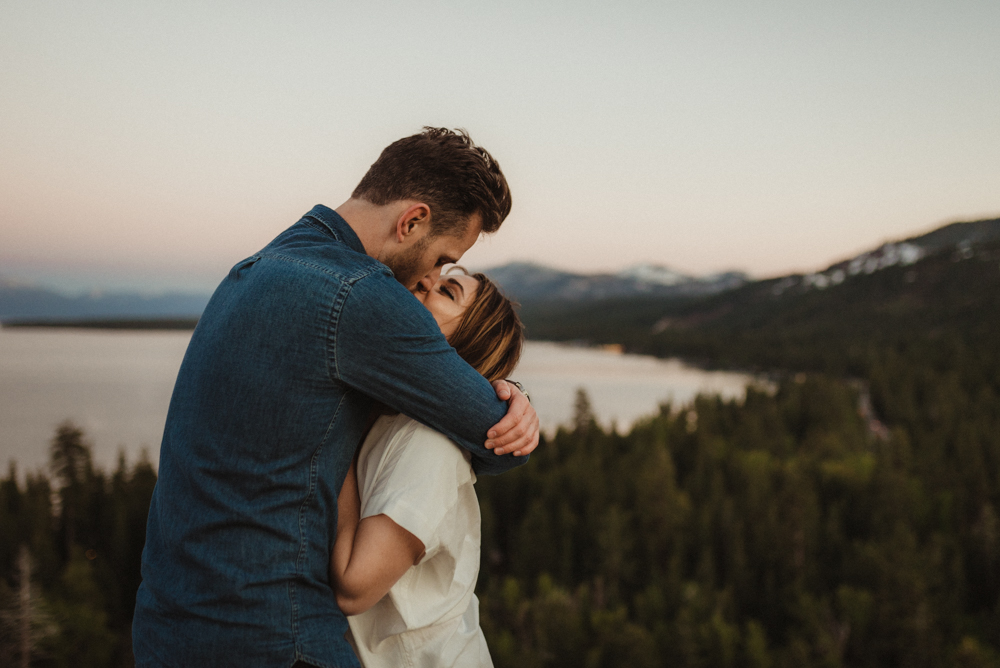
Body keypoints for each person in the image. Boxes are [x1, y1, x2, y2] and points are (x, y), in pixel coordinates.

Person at [133, 128, 540, 668]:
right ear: (411, 220)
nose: (429, 276)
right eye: (442, 259)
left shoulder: (262, 265)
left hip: (168, 627)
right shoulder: (360, 295)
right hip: (272, 637)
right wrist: (514, 401)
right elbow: (495, 435)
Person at [331, 269, 522, 668]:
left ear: (467, 344)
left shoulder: (428, 443)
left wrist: (334, 442)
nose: (425, 282)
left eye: (448, 292)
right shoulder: (385, 417)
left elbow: (353, 587)